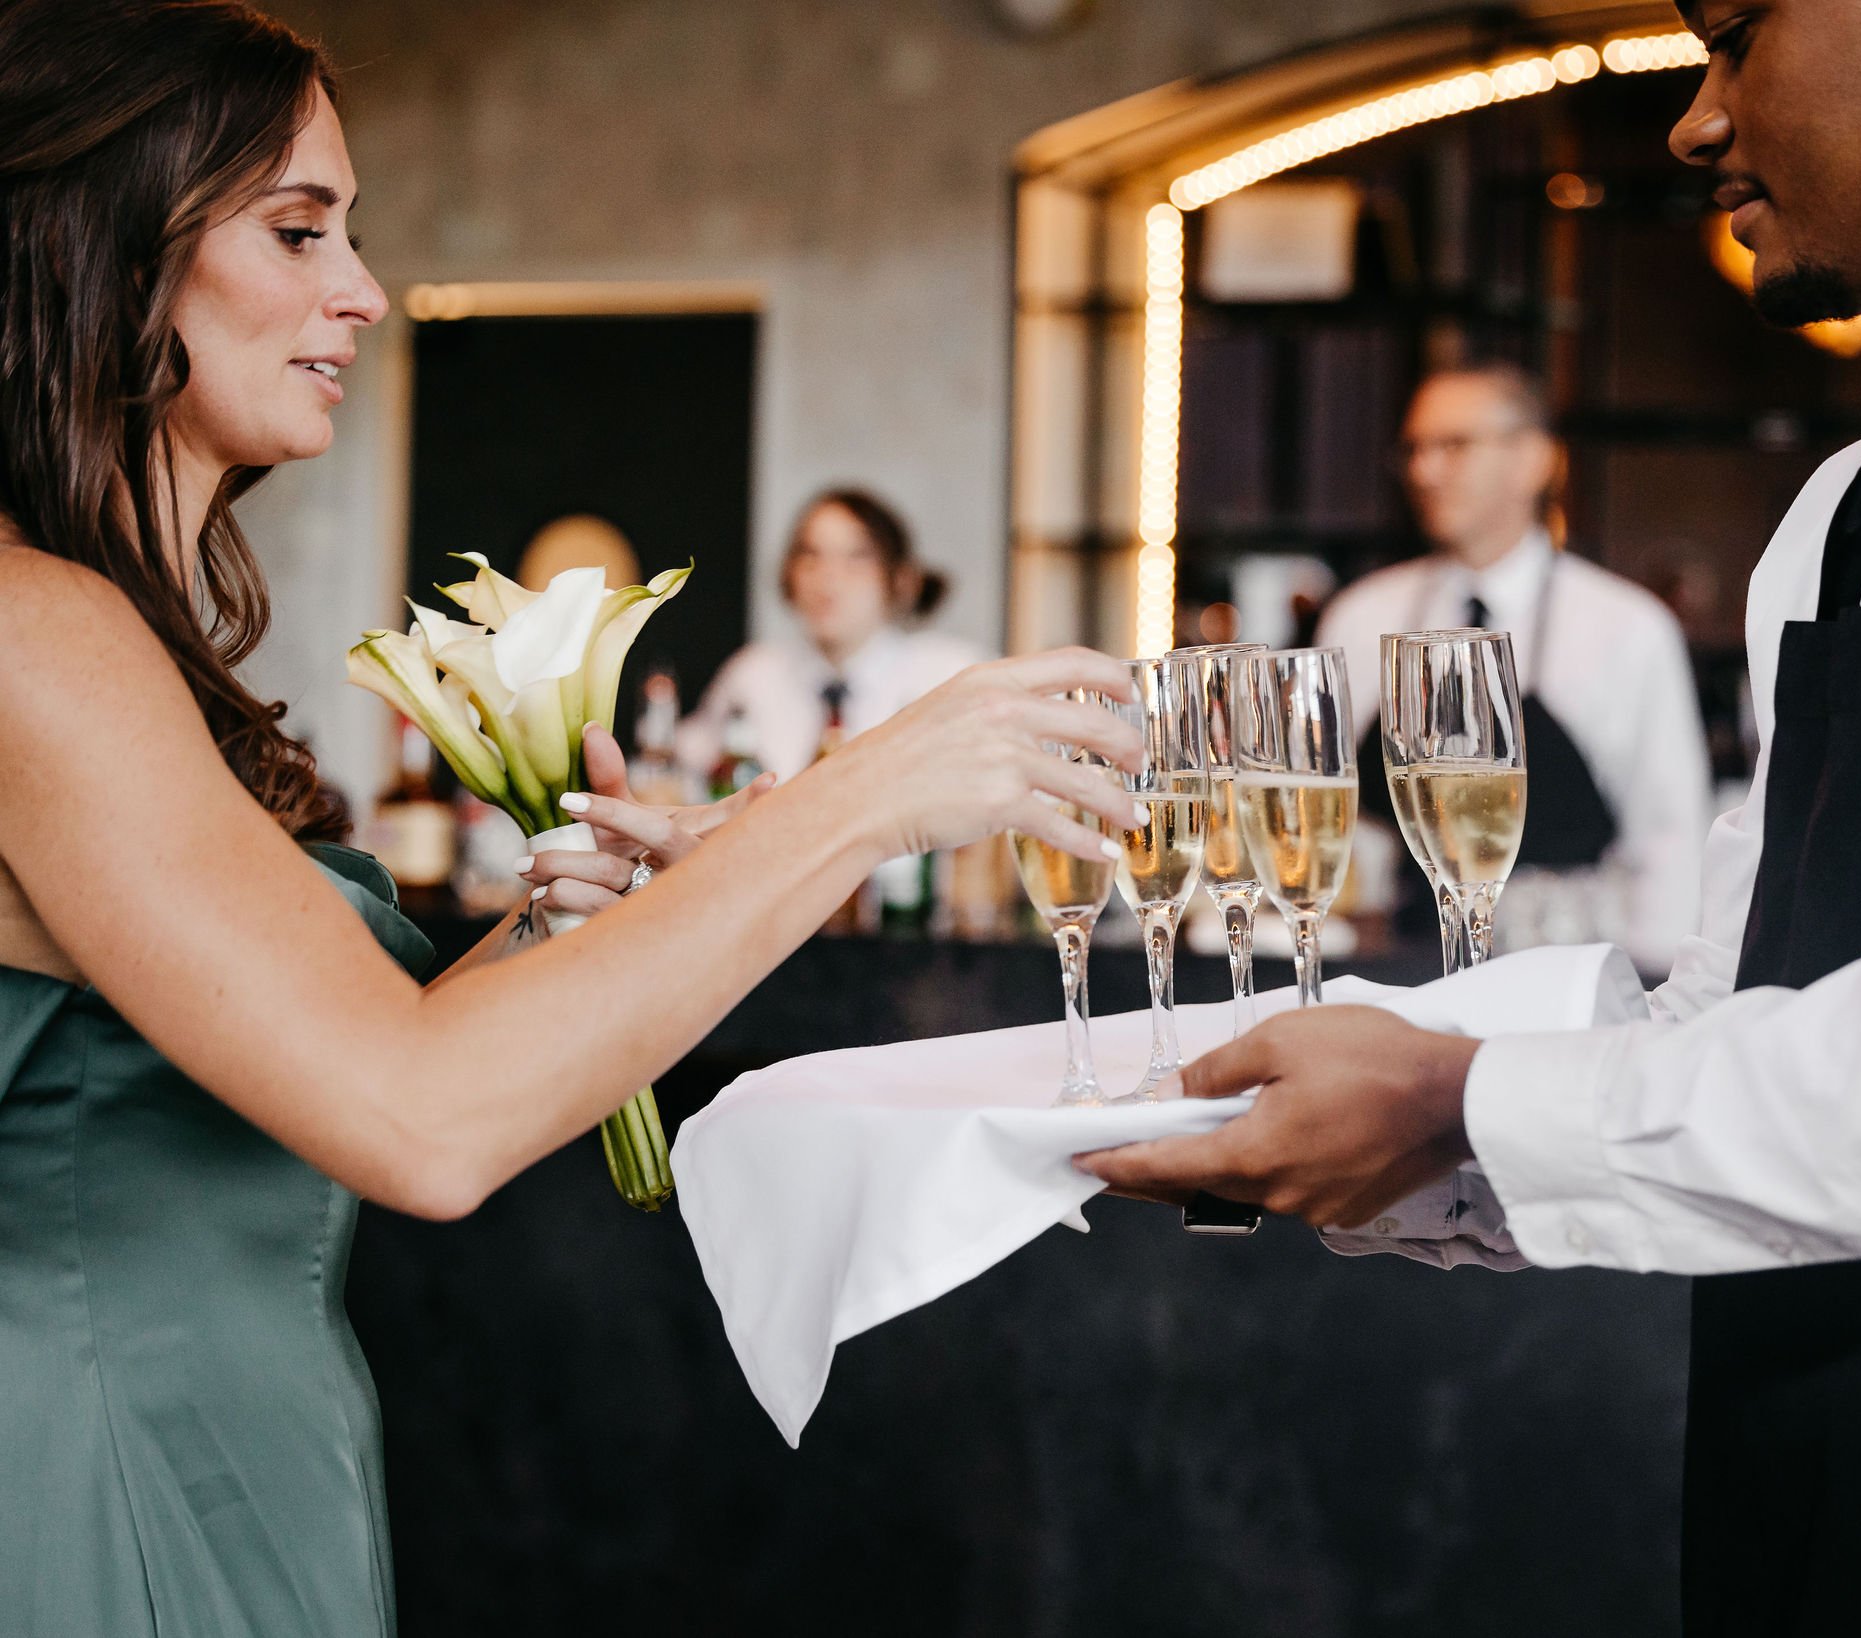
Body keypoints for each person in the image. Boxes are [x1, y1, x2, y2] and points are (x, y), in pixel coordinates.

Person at [0, 6, 1140, 1631]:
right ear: (108, 251)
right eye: (297, 228)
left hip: (241, 1441)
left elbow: (329, 1054)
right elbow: (420, 1124)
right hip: (88, 1473)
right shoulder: (34, 632)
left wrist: (550, 930)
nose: (362, 293)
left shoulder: (111, 634)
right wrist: (854, 797)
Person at [1086, 0, 1861, 1629]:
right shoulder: (1840, 507)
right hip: (1804, 1489)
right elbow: (1728, 1001)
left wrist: (1460, 1102)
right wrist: (1400, 1134)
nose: (1692, 118)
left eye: (1735, 34)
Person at [1316, 363, 1713, 973]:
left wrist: (1655, 995)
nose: (1425, 471)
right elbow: (1336, 819)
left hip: (1566, 961)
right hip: (1399, 959)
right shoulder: (1362, 616)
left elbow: (1670, 835)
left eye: (1454, 446)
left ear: (1534, 461)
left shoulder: (1626, 626)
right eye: (1414, 449)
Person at [679, 489, 985, 783]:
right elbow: (687, 769)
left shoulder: (948, 676)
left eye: (856, 557)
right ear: (789, 574)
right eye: (811, 555)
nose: (828, 578)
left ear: (900, 579)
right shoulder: (753, 675)